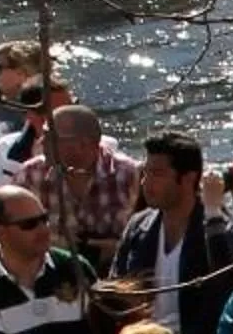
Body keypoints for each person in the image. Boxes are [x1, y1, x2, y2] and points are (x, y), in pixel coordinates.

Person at [112, 131, 233, 334]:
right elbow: (115, 290)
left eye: (157, 174)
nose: (145, 183)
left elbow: (230, 291)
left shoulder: (218, 228)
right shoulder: (138, 226)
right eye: (145, 173)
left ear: (187, 179)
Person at [0, 183, 95, 334]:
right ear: (0, 232)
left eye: (44, 219)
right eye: (29, 224)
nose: (44, 229)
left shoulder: (76, 268)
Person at [15, 103, 140, 268]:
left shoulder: (129, 175)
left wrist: (119, 248)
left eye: (50, 136)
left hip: (117, 277)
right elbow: (11, 234)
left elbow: (151, 235)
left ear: (83, 144)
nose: (41, 141)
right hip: (52, 276)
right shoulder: (30, 175)